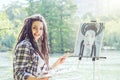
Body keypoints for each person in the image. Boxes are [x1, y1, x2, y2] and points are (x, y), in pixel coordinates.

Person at [13, 14, 68, 80]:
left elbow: (42, 72)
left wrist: (57, 63)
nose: (38, 31)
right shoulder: (24, 45)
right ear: (28, 28)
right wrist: (36, 79)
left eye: (41, 28)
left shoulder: (35, 46)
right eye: (34, 28)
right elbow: (18, 74)